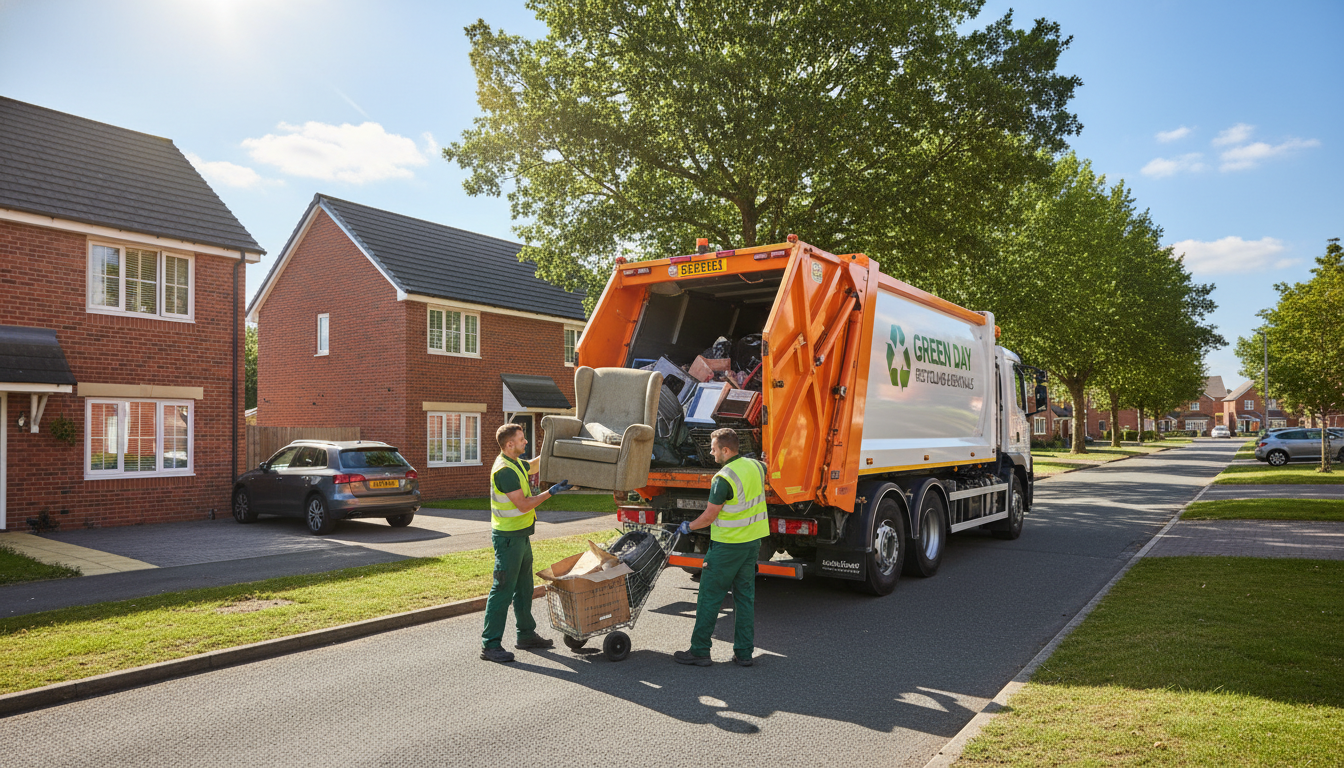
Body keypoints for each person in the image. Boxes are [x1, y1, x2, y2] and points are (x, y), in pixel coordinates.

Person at [673, 427, 768, 667]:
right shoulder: (755, 467)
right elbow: (765, 465)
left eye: (714, 448)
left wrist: (689, 527)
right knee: (745, 598)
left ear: (726, 450)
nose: (711, 452)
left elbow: (709, 516)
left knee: (709, 598)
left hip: (727, 547)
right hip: (751, 544)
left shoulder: (723, 478)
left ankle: (700, 651)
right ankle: (744, 653)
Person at [480, 422, 573, 663]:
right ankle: (490, 645)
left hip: (520, 536)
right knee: (502, 590)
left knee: (524, 588)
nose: (526, 442)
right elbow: (523, 504)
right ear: (509, 444)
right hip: (508, 540)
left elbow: (531, 466)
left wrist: (554, 447)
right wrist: (550, 492)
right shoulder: (504, 470)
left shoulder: (514, 463)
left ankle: (526, 634)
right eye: (522, 439)